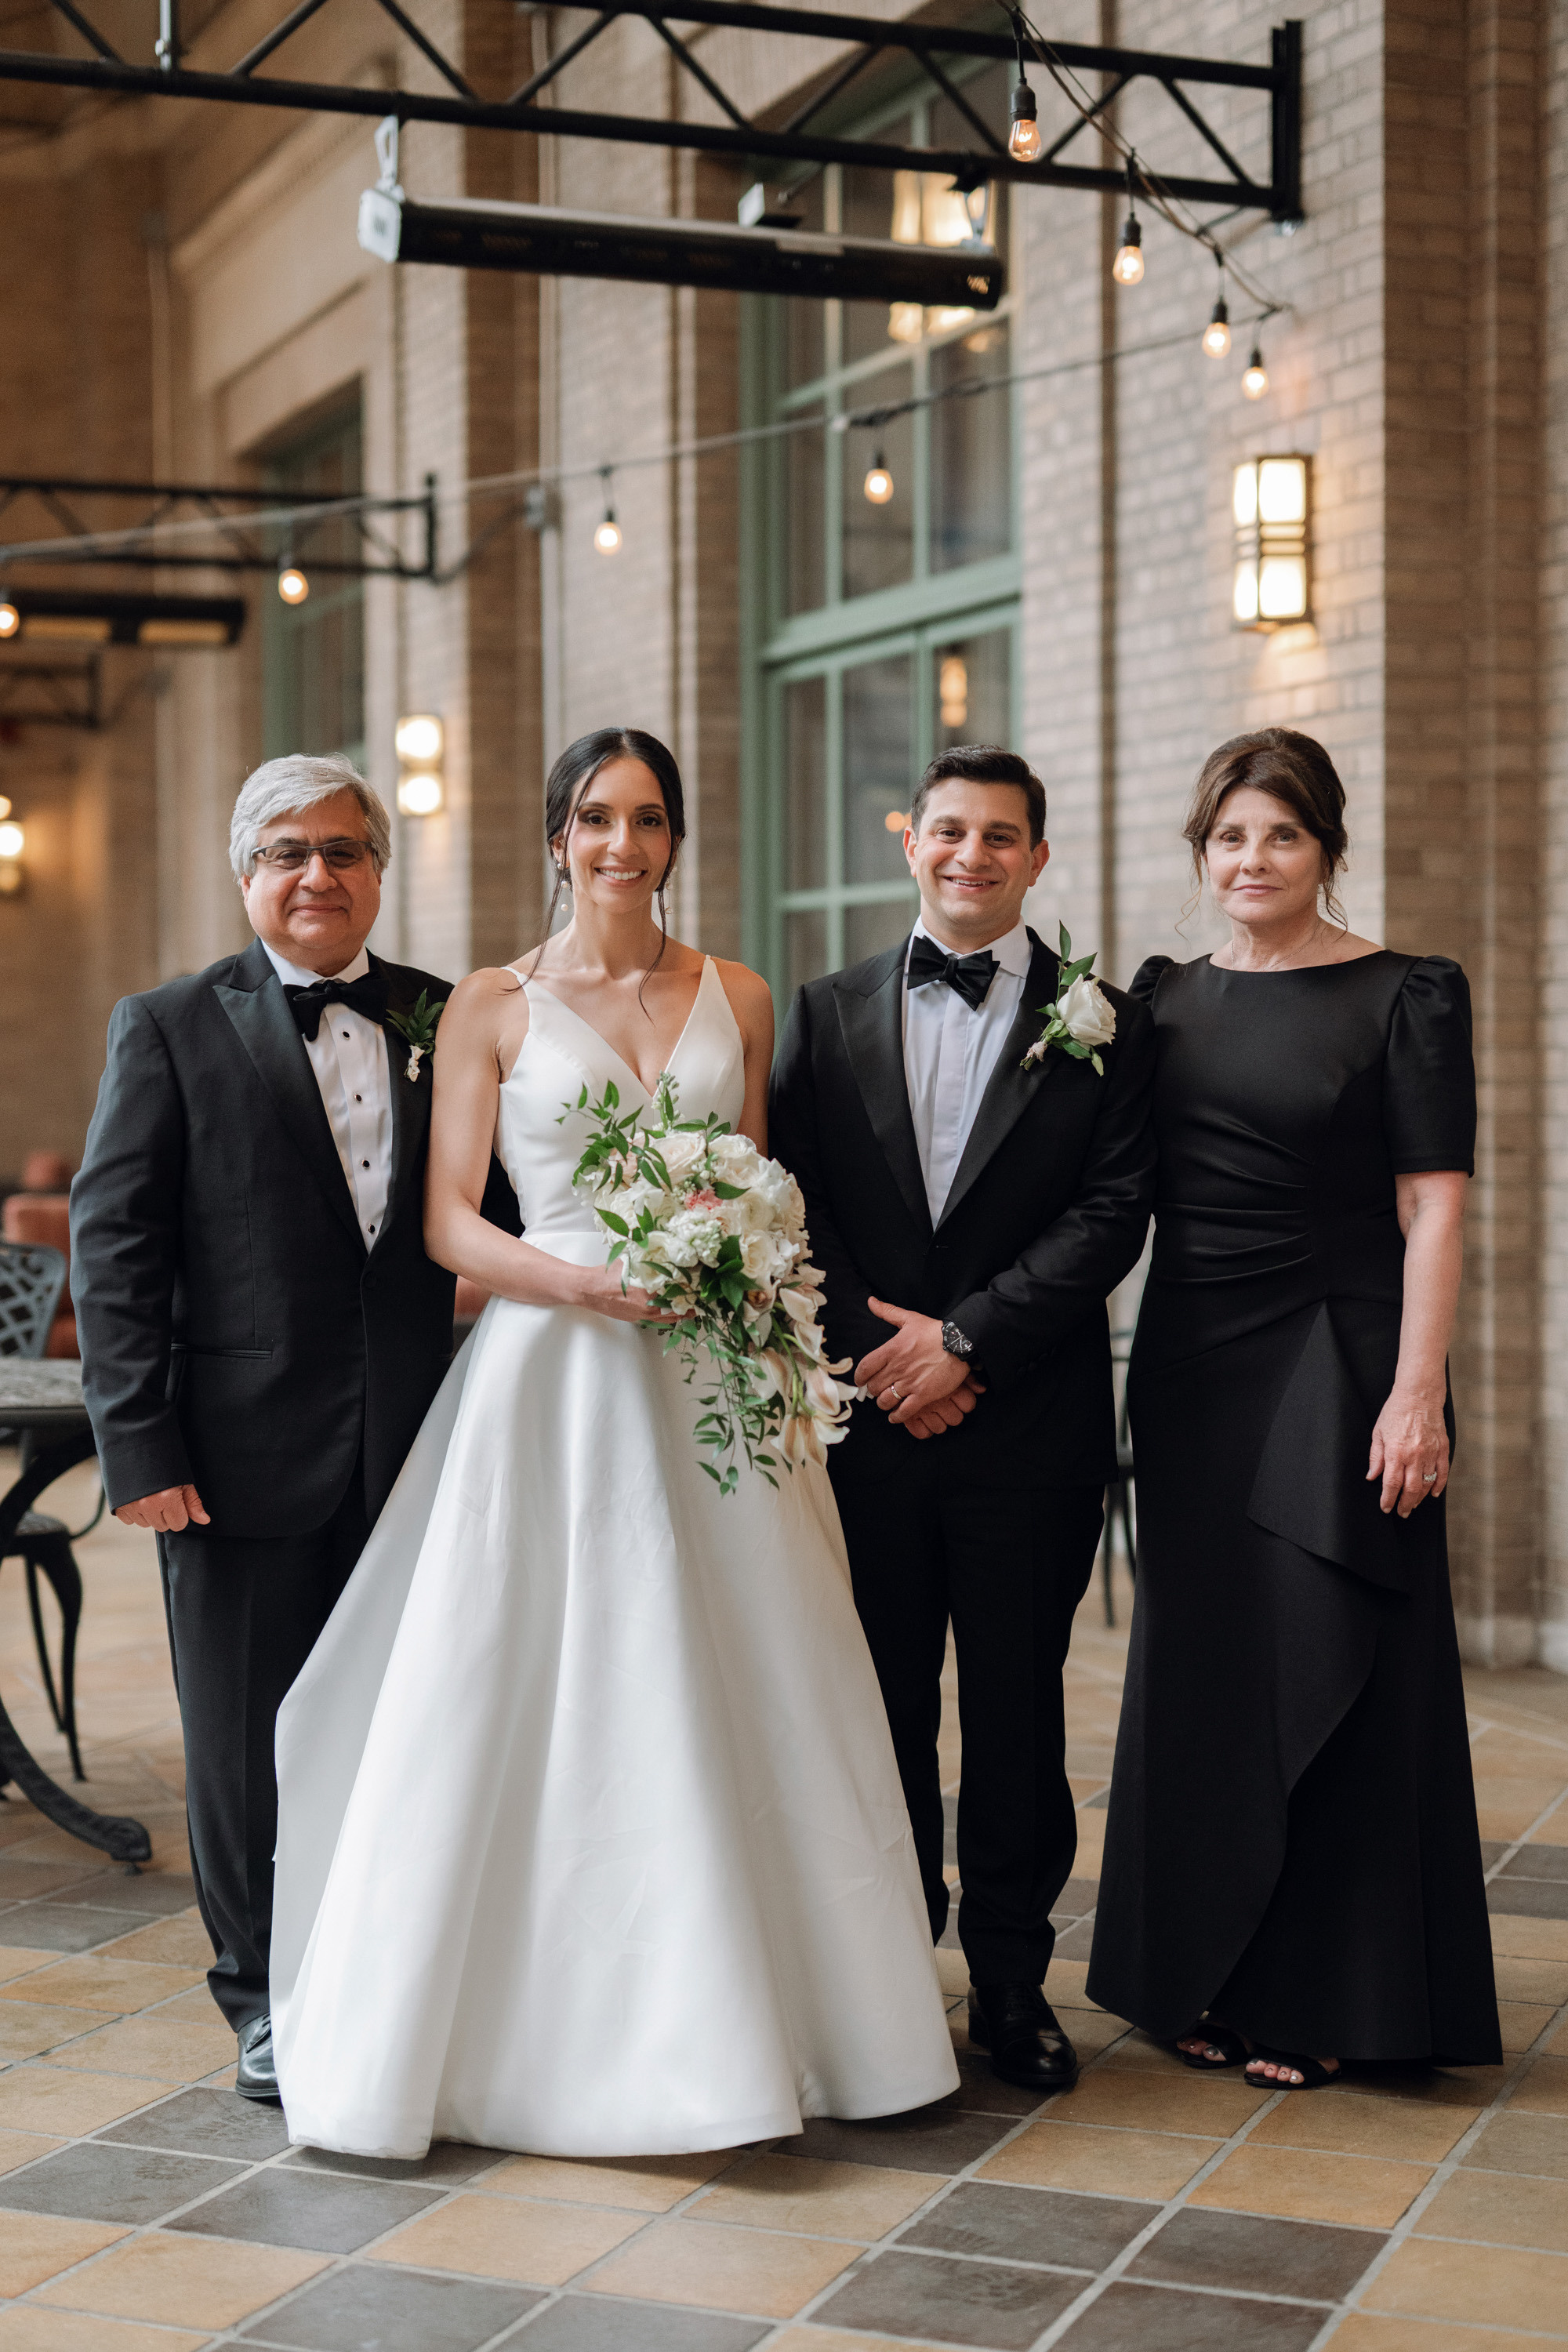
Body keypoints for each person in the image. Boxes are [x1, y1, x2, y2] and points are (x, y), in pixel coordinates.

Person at [269, 727, 958, 2158]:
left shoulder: (739, 994)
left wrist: (742, 1275)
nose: (621, 844)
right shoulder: (490, 1003)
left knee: (753, 1672)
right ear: (558, 836)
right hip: (557, 1374)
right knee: (552, 1668)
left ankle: (796, 2023)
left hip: (717, 1382)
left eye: (647, 819)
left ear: (675, 839)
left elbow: (760, 1185)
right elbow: (448, 1220)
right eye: (595, 817)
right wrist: (575, 1281)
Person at [70, 753, 519, 2103]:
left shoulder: (448, 1015)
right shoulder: (166, 1026)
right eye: (288, 853)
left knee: (402, 1725)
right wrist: (141, 1449)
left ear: (379, 870)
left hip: (420, 1451)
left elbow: (511, 1204)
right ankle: (261, 1993)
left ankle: (384, 1975)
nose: (318, 875)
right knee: (245, 1745)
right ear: (245, 876)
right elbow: (115, 1248)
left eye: (342, 850)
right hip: (233, 1460)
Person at [1087, 728, 1501, 2087]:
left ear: (1328, 849)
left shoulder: (1404, 994)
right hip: (1195, 1368)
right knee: (1205, 1668)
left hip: (1344, 1358)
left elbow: (1433, 1209)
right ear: (1201, 853)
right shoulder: (1163, 1001)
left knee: (1339, 1655)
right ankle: (1197, 1974)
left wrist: (1418, 1393)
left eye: (1281, 835)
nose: (1252, 860)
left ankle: (1338, 2001)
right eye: (1230, 838)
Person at [769, 745, 1156, 2092]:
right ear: (910, 843)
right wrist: (891, 1358)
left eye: (1000, 836)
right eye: (949, 831)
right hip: (868, 1426)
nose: (971, 856)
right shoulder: (822, 1012)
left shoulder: (1104, 1020)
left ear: (1038, 858)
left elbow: (1113, 1212)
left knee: (1015, 1715)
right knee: (873, 1706)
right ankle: (885, 1970)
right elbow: (790, 1199)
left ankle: (1009, 1980)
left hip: (1028, 1427)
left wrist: (970, 1342)